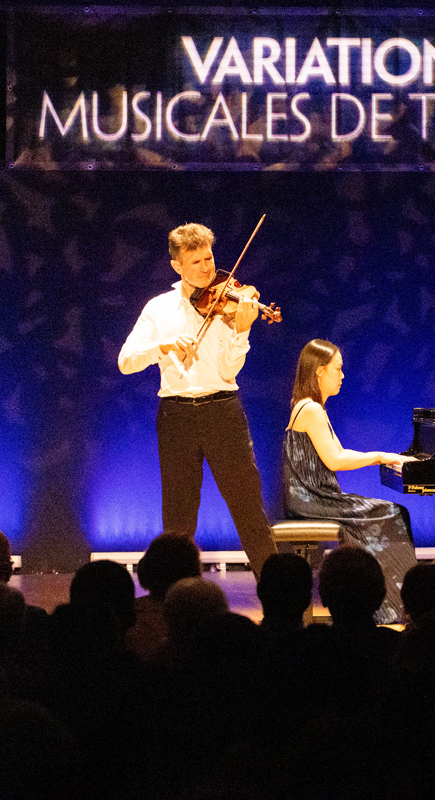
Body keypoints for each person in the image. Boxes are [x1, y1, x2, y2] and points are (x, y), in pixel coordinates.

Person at [118, 222, 276, 578]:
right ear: (177, 265)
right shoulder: (158, 308)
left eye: (209, 258)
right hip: (176, 415)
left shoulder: (228, 301)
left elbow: (228, 370)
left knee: (249, 509)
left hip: (223, 412)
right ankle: (174, 595)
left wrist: (242, 331)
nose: (207, 268)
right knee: (178, 517)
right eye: (196, 262)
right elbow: (125, 361)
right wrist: (163, 346)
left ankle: (278, 594)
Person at [282, 339, 416, 624]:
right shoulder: (311, 409)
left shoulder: (312, 407)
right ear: (319, 371)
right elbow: (335, 461)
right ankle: (393, 607)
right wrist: (379, 456)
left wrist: (383, 456)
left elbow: (339, 452)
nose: (342, 375)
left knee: (392, 512)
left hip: (315, 496)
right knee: (393, 513)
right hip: (312, 498)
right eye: (338, 369)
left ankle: (386, 605)